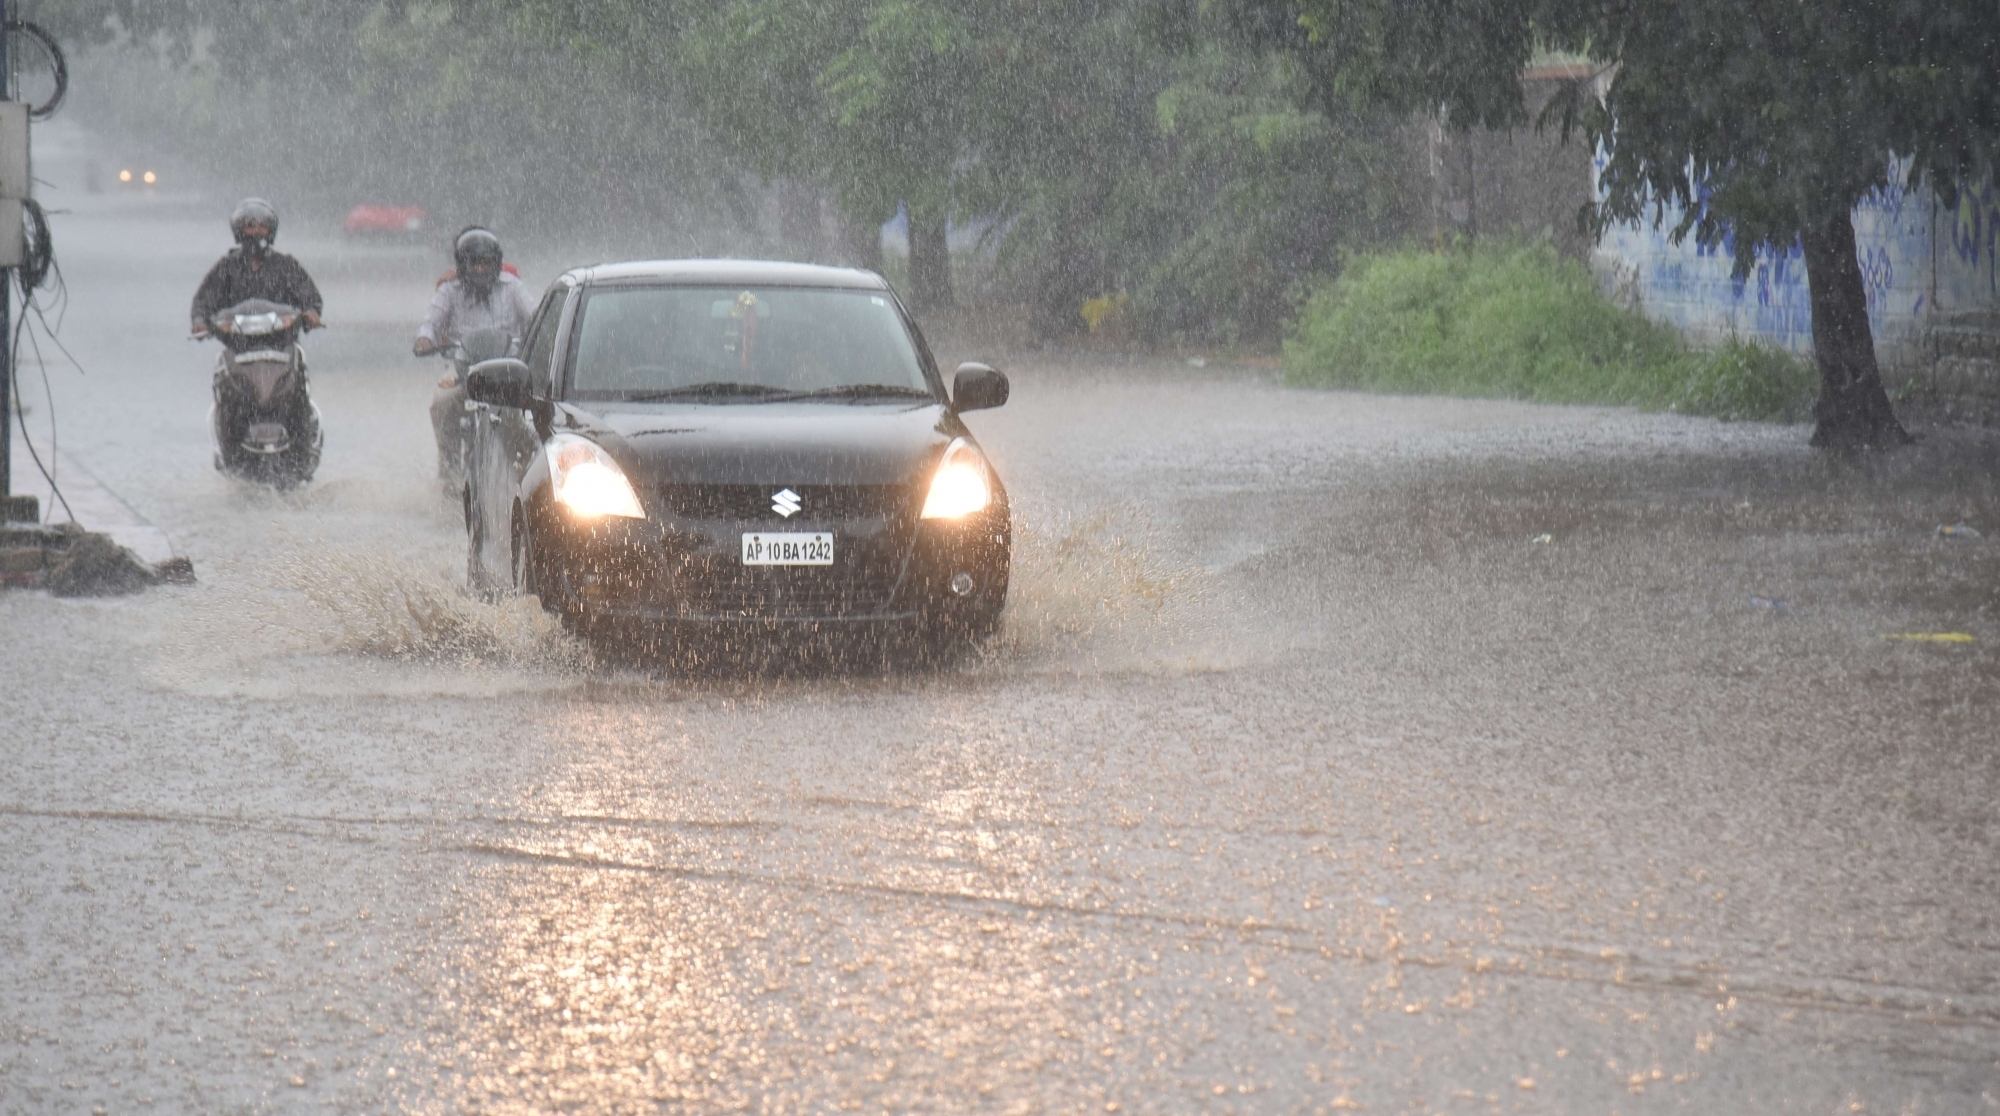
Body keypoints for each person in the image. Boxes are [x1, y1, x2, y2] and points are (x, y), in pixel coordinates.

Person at [413, 227, 537, 472]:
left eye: (486, 263)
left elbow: (534, 316)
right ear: (462, 264)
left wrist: (539, 337)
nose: (480, 269)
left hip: (507, 370)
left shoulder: (513, 287)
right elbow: (430, 323)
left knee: (529, 408)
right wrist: (424, 340)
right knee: (441, 402)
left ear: (497, 263)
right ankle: (448, 466)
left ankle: (527, 463)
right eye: (474, 264)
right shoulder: (449, 290)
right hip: (461, 369)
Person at [190, 197, 323, 336]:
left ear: (270, 230)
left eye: (262, 226)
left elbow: (309, 295)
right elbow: (205, 299)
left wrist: (311, 313)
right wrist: (200, 321)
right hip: (237, 344)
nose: (256, 231)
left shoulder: (286, 265)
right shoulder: (227, 266)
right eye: (250, 226)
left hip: (281, 341)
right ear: (239, 230)